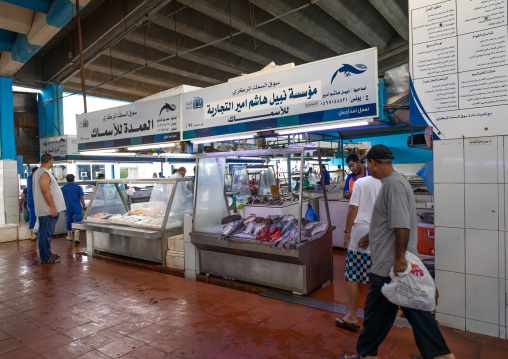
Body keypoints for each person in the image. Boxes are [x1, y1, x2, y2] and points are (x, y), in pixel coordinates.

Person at [339, 145, 454, 359]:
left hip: (389, 266)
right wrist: (369, 236)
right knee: (387, 315)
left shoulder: (393, 184)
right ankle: (438, 355)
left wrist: (399, 259)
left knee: (387, 314)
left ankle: (440, 356)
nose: (367, 167)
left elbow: (401, 224)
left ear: (372, 162)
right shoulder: (391, 183)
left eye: (367, 163)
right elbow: (388, 220)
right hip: (388, 263)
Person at [335, 175, 381, 330]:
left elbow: (352, 208)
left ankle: (352, 315)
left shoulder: (361, 182)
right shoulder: (387, 182)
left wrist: (347, 232)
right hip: (380, 234)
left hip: (361, 232)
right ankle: (377, 318)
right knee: (377, 277)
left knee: (353, 274)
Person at [33, 154, 66, 264]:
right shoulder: (44, 173)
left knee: (45, 234)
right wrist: (52, 207)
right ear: (51, 161)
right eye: (52, 161)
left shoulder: (39, 172)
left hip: (46, 210)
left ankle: (46, 253)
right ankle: (45, 257)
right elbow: (45, 191)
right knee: (45, 234)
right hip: (47, 211)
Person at [61, 174, 86, 244]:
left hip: (67, 207)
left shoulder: (63, 188)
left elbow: (61, 199)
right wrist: (84, 206)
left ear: (66, 179)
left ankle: (69, 236)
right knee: (77, 221)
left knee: (68, 221)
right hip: (76, 207)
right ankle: (77, 237)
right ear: (74, 179)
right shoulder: (78, 188)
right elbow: (81, 198)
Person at [27, 167, 38, 240]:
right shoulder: (36, 178)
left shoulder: (29, 178)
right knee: (38, 217)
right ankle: (35, 234)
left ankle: (32, 235)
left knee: (32, 217)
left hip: (30, 200)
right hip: (36, 200)